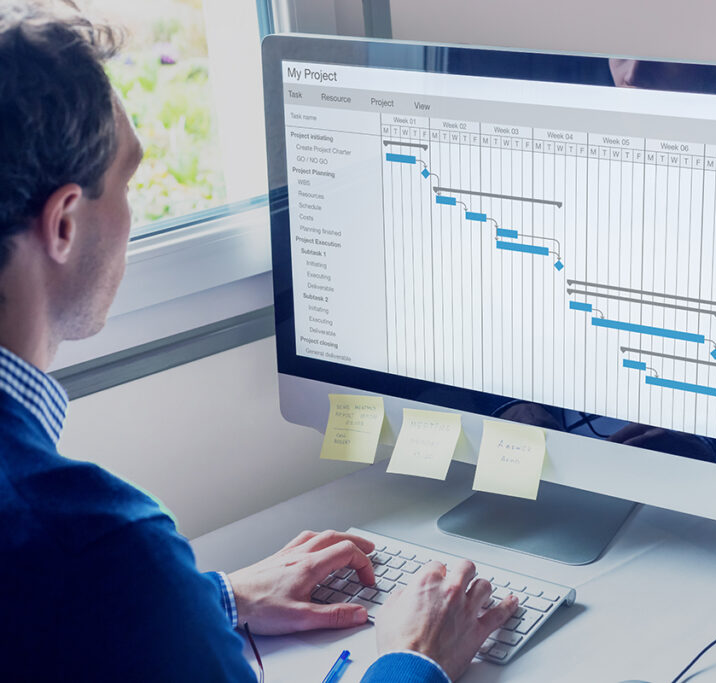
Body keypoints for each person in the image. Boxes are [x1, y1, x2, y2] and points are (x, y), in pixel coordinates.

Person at [0, 3, 518, 681]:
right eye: (128, 181)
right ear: (64, 221)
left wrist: (206, 600)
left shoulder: (90, 565)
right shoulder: (100, 547)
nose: (133, 214)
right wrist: (409, 656)